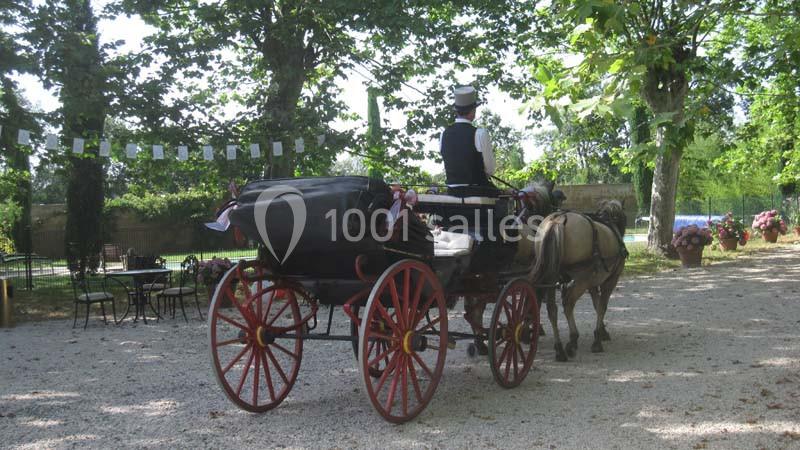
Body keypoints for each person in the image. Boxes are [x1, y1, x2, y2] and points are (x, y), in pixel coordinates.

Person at [440, 86, 498, 197]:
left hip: (451, 192)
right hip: (477, 191)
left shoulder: (444, 134)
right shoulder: (480, 133)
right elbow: (490, 170)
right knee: (506, 200)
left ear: (456, 111)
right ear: (473, 111)